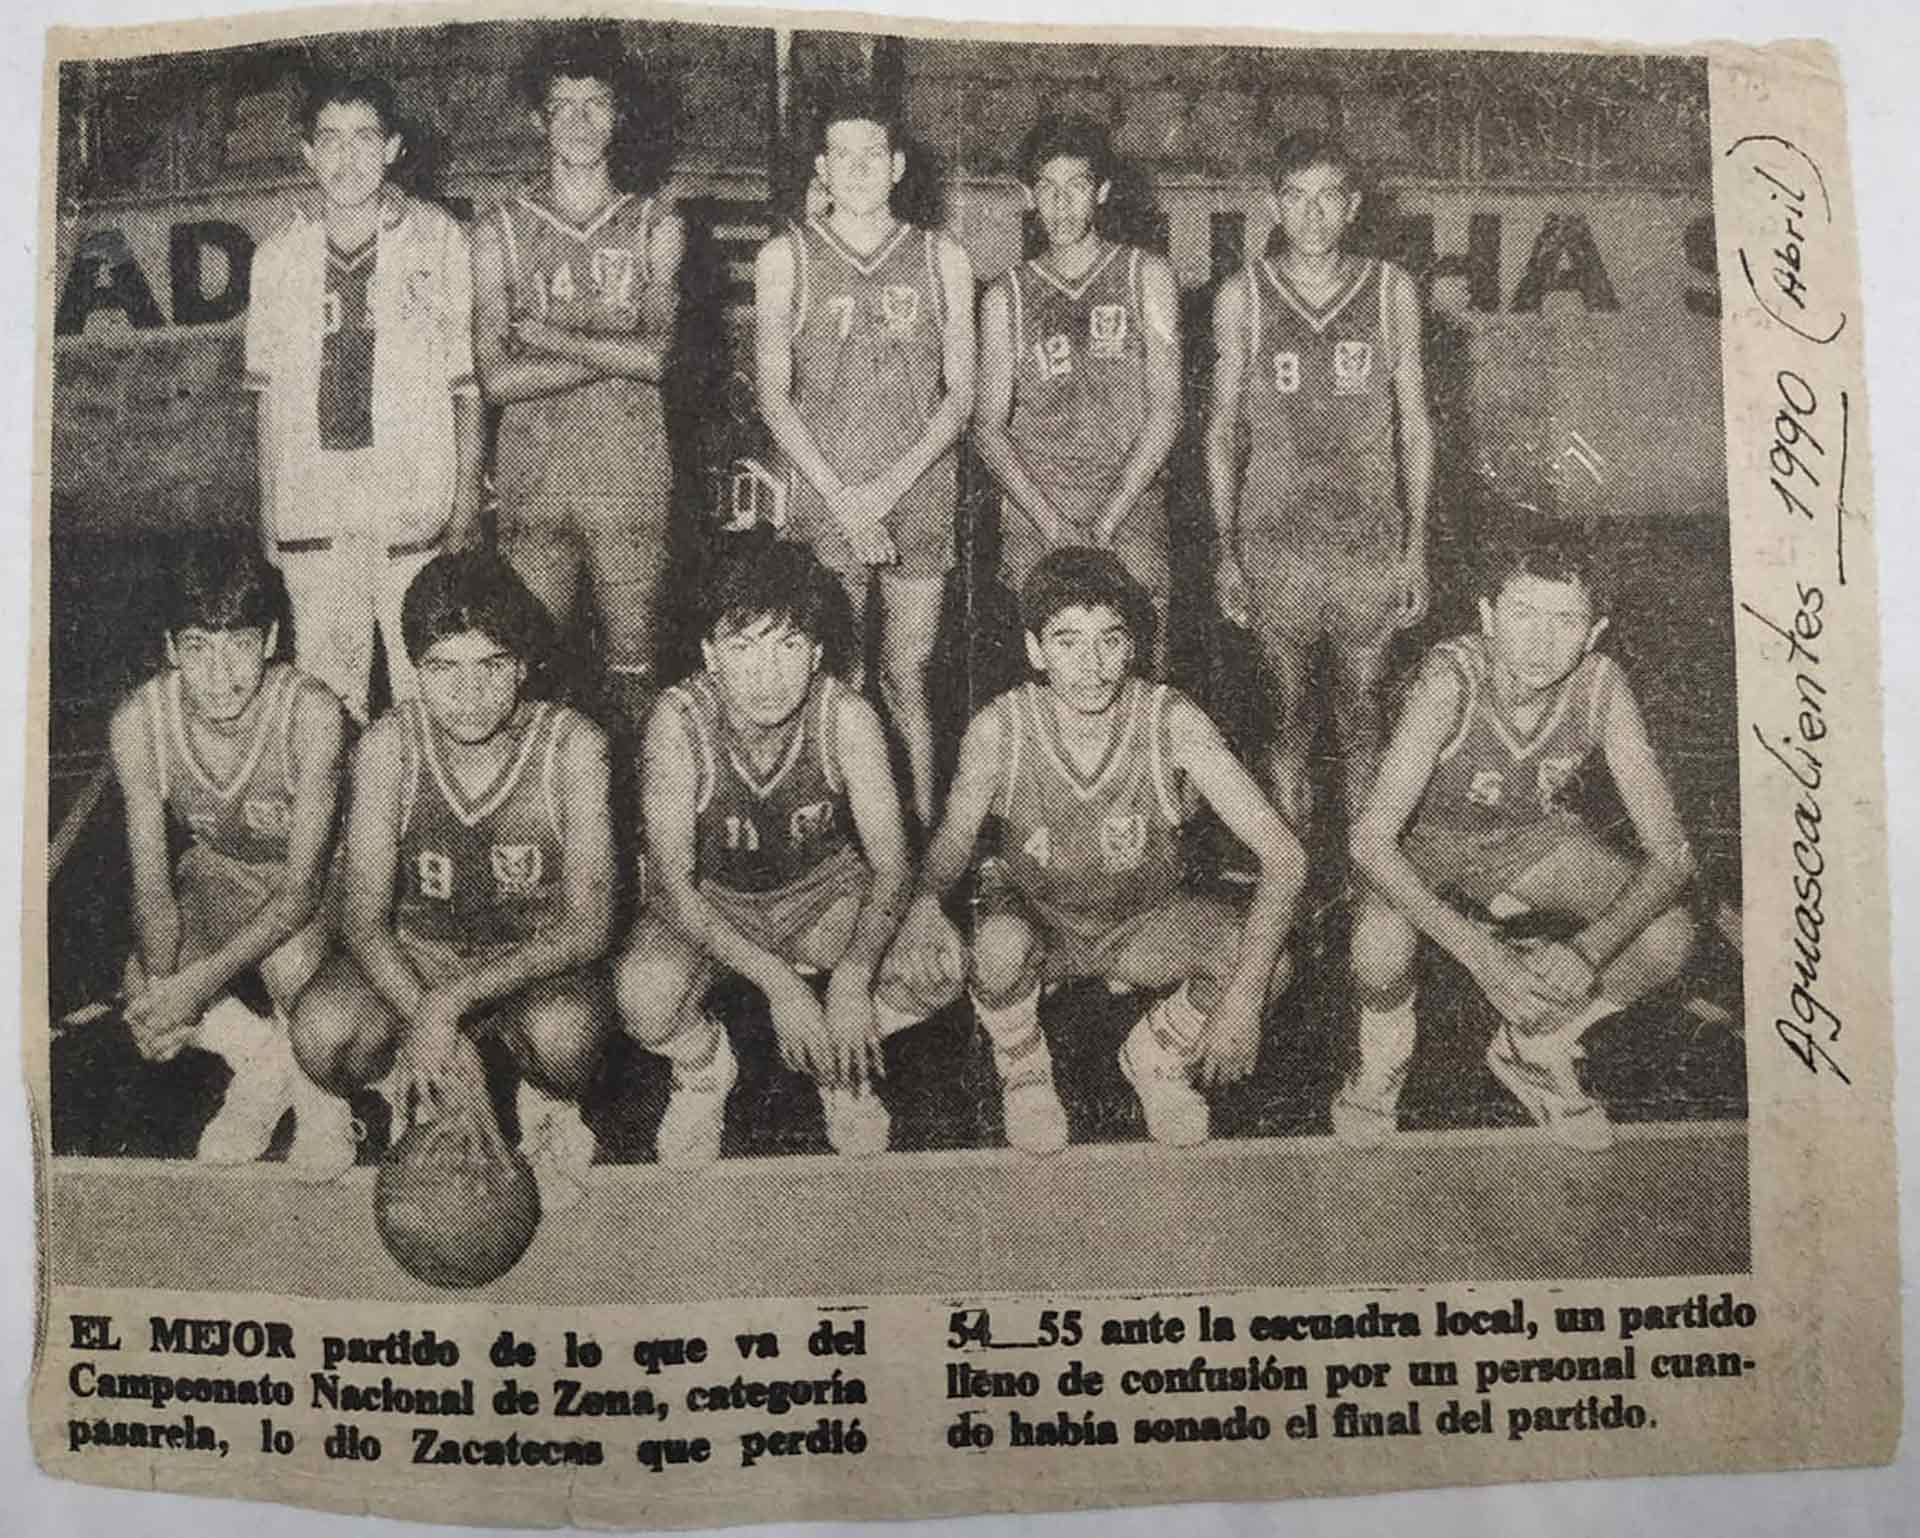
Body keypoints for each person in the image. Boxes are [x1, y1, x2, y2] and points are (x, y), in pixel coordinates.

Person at [889, 548, 1304, 1153]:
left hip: (1142, 922)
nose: (1091, 666)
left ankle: (1157, 1054)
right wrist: (925, 902)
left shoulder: (1170, 721)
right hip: (1042, 918)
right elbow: (952, 843)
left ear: (1132, 646)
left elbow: (1286, 857)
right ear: (1035, 651)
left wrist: (1242, 1000)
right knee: (996, 951)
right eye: (1068, 642)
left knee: (1266, 969)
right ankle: (1023, 1065)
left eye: (1109, 641)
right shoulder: (1001, 728)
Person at [1343, 528, 1698, 1151]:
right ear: (1487, 616)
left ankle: (1537, 1043)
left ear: (1594, 633)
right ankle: (1383, 1056)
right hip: (1420, 846)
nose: (1541, 639)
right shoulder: (1451, 678)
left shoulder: (1602, 687)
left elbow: (1672, 855)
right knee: (1378, 952)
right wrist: (1484, 956)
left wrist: (1584, 954)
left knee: (1668, 939)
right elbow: (1372, 840)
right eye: (1523, 614)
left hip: (1525, 840)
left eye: (1565, 621)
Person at [291, 552, 614, 1208]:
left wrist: (451, 1006)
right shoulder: (388, 746)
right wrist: (425, 1013)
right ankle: (409, 1082)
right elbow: (363, 919)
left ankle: (547, 1102)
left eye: (491, 666)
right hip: (419, 958)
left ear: (522, 664)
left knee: (566, 1036)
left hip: (527, 967)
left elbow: (590, 926)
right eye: (443, 669)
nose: (469, 695)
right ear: (414, 669)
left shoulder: (574, 746)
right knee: (322, 1032)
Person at [618, 536, 950, 1166]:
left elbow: (891, 864)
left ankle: (843, 1065)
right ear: (710, 655)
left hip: (819, 895)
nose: (767, 675)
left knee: (937, 966)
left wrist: (851, 979)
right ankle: (703, 1068)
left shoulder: (846, 715)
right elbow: (674, 885)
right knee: (643, 995)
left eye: (788, 646)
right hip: (713, 903)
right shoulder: (677, 720)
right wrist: (783, 987)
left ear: (818, 652)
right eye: (743, 648)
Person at [753, 86, 976, 827]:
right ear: (822, 165)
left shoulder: (941, 256)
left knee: (907, 676)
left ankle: (921, 839)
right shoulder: (785, 257)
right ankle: (840, 836)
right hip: (824, 498)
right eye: (841, 156)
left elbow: (961, 395)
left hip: (914, 494)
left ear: (897, 166)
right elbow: (774, 397)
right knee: (833, 678)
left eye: (871, 155)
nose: (856, 169)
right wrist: (846, 499)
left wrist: (881, 493)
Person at [1206, 133, 1435, 830]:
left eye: (1328, 198)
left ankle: (1371, 883)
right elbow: (1220, 431)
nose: (1311, 216)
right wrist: (1225, 548)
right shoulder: (1243, 295)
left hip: (1368, 540)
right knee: (1287, 717)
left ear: (1353, 206)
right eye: (1296, 199)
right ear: (1274, 205)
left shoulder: (1390, 289)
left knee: (1365, 715)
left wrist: (1417, 544)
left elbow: (1416, 425)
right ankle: (1293, 881)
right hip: (1277, 541)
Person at [244, 70, 483, 724]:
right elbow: (265, 404)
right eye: (330, 140)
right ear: (306, 154)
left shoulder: (437, 239)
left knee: (427, 690)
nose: (347, 157)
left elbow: (466, 385)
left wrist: (464, 504)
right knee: (328, 704)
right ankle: (347, 828)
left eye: (364, 137)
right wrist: (268, 516)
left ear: (394, 147)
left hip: (411, 504)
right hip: (314, 508)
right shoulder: (277, 258)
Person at [108, 541, 351, 1177]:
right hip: (225, 871)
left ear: (270, 640)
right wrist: (166, 997)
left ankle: (321, 1097)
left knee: (288, 958)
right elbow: (154, 888)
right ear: (169, 649)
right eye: (196, 648)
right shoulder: (140, 721)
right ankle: (266, 1062)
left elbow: (299, 892)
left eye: (238, 644)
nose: (219, 675)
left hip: (321, 882)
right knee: (141, 988)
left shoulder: (312, 711)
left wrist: (197, 985)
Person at [473, 23, 685, 734]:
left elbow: (659, 359)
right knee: (530, 683)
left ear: (619, 113)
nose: (580, 121)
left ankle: (642, 838)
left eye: (595, 103)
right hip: (535, 484)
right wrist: (609, 349)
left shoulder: (656, 222)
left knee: (636, 678)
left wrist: (547, 337)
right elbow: (497, 381)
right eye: (563, 106)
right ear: (539, 118)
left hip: (630, 483)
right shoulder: (499, 228)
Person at [975, 114, 1182, 634]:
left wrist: (1108, 519)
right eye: (1047, 189)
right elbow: (988, 428)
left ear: (1103, 191)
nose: (1062, 205)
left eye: (1077, 187)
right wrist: (1053, 526)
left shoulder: (1147, 276)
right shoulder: (1006, 296)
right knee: (1050, 674)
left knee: (1137, 675)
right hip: (1037, 509)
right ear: (1028, 197)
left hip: (1130, 502)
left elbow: (1166, 409)